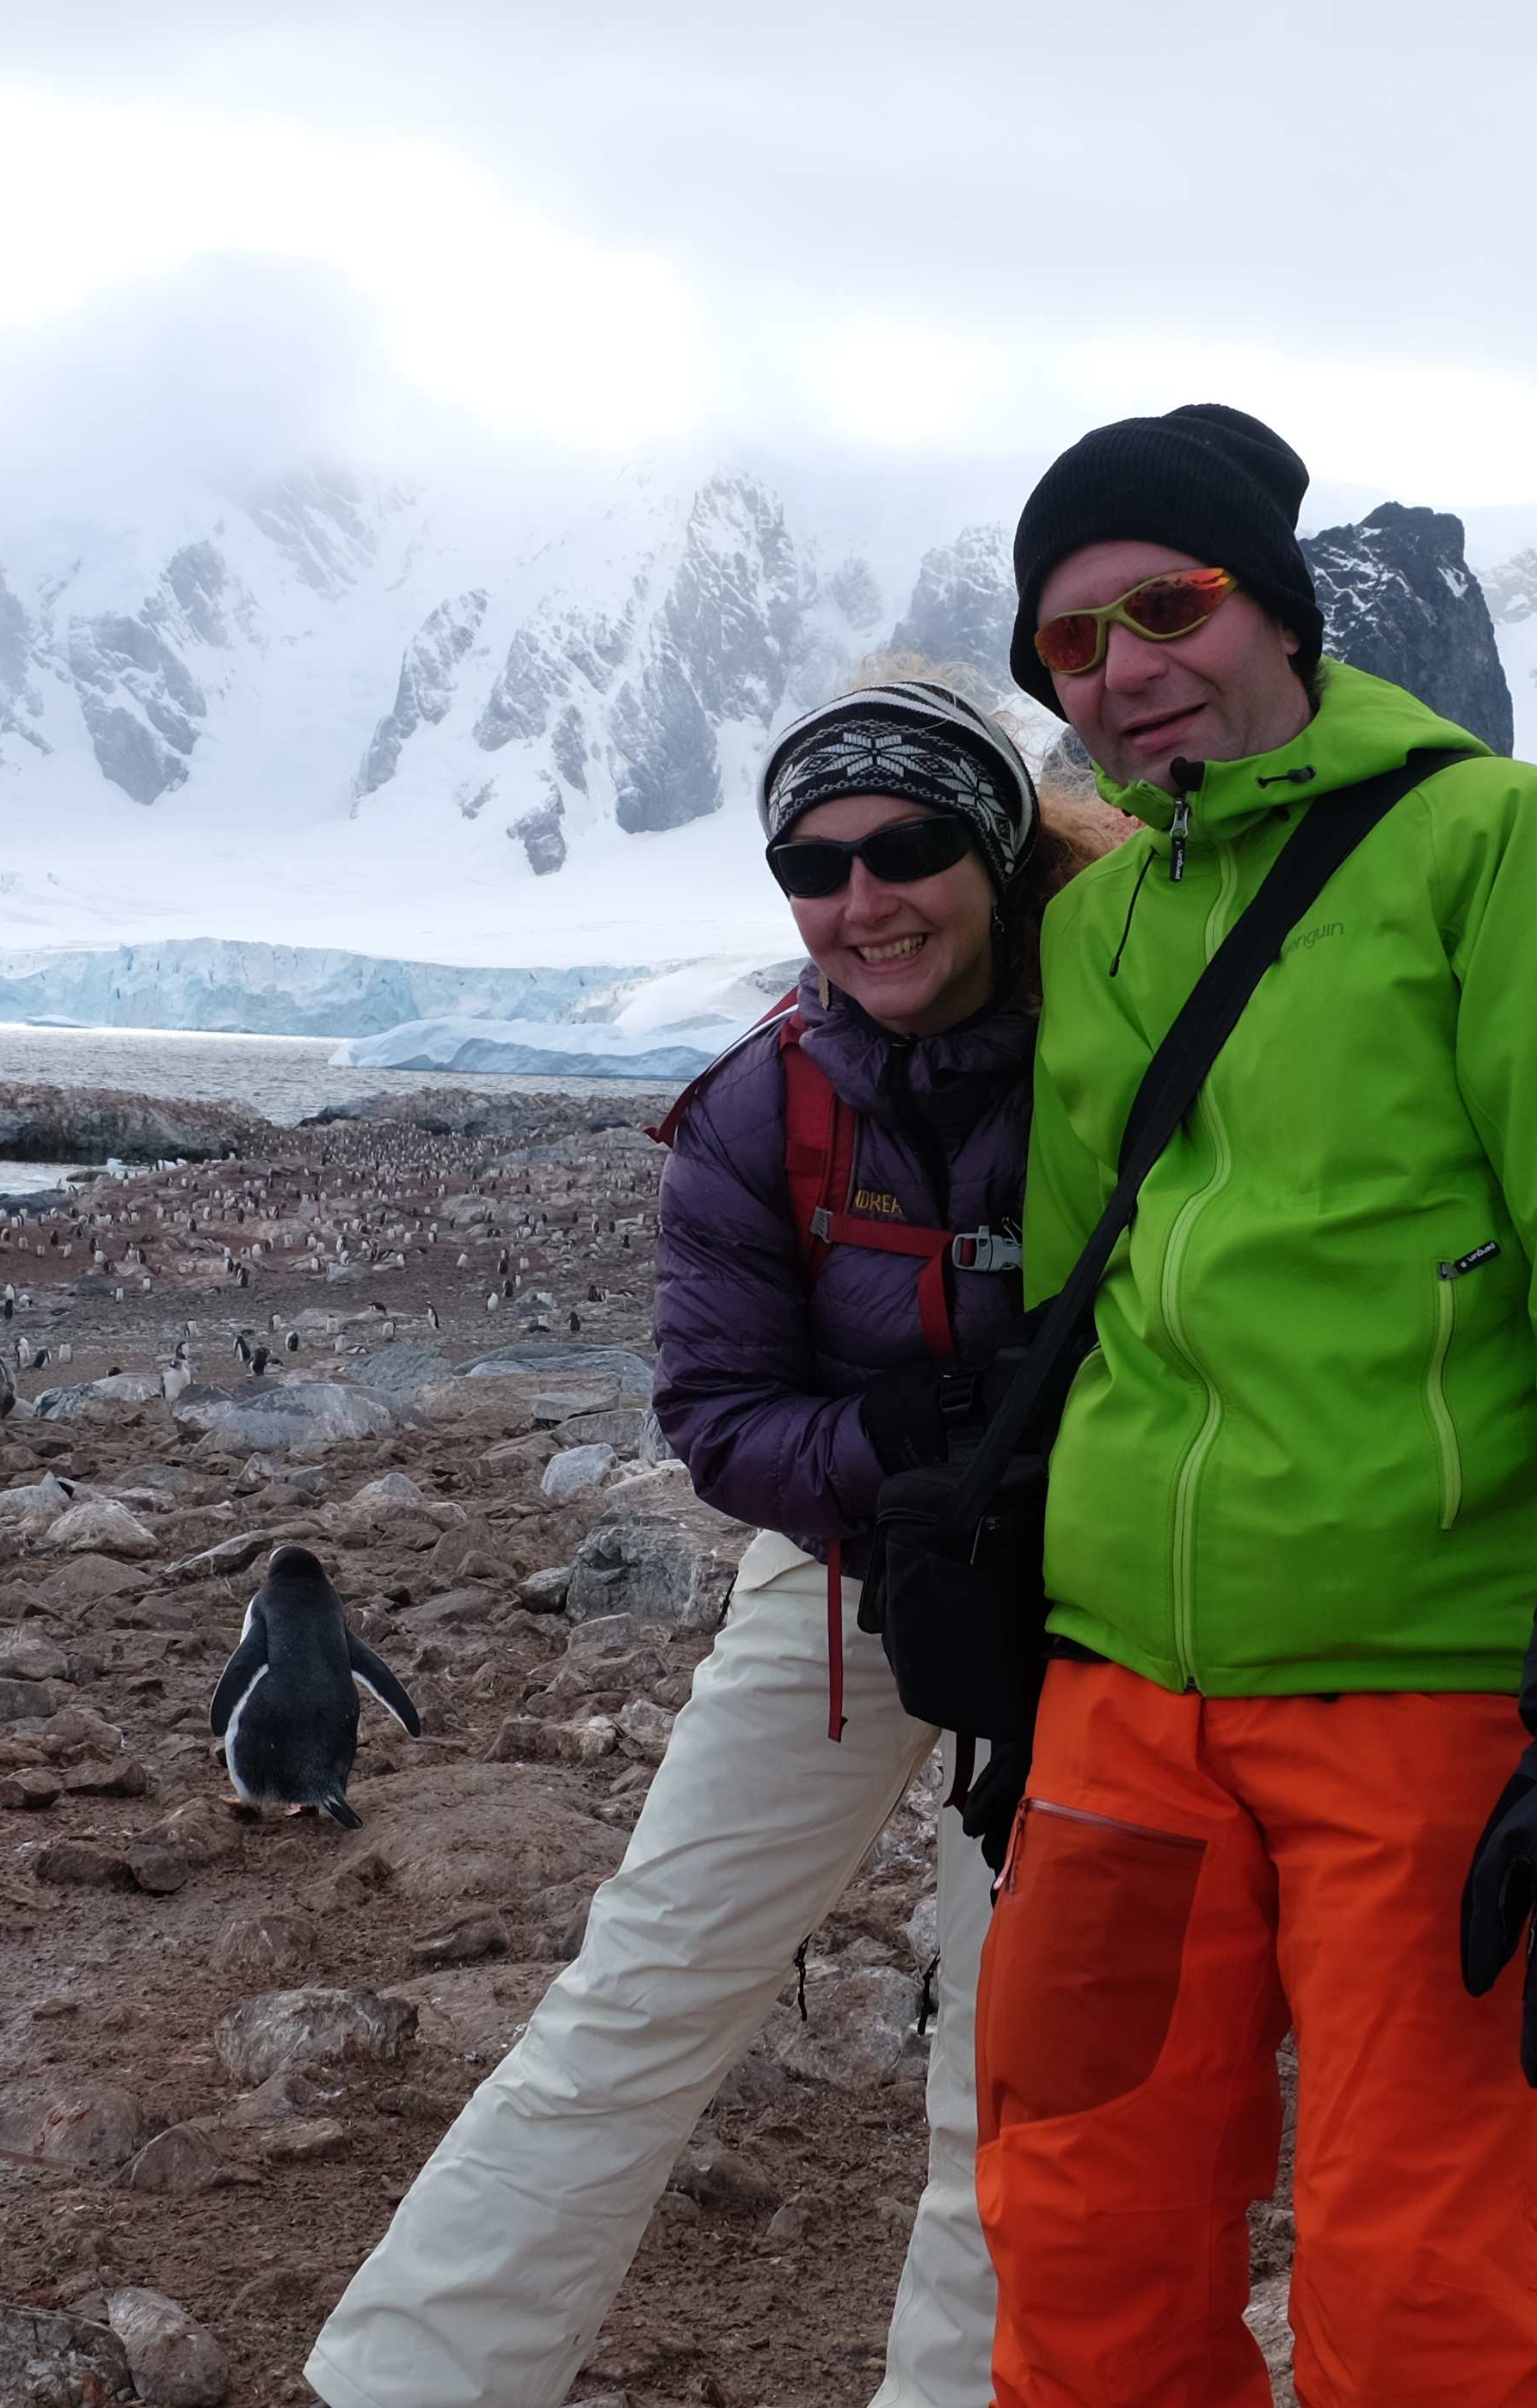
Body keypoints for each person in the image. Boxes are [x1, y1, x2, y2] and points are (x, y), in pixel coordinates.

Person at [970, 406, 1537, 2407]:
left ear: (1281, 608)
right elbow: (1075, 1311)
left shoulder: (1510, 848)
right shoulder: (1102, 925)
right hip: (1119, 1711)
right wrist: (1021, 1631)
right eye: (1072, 642)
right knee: (1085, 2260)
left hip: (1415, 1699)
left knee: (1425, 2316)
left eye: (1169, 606)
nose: (1125, 668)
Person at [310, 675, 1091, 2408]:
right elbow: (720, 1417)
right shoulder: (763, 1106)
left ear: (1000, 850)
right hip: (845, 1577)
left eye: (910, 846)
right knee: (647, 1990)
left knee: (1015, 2073)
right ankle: (410, 2386)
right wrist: (904, 1445)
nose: (862, 899)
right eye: (813, 864)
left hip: (1080, 1607)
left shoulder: (1125, 1043)